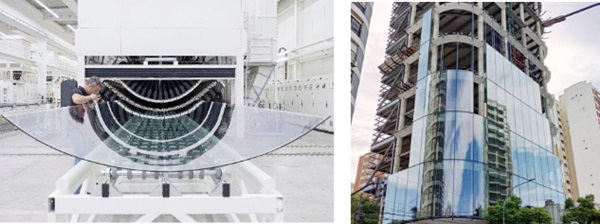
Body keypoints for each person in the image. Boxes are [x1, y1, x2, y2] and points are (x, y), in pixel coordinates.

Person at [70, 76, 102, 194]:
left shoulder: (86, 96)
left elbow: (86, 109)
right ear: (90, 86)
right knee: (80, 161)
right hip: (77, 133)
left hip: (83, 132)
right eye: (95, 90)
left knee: (84, 161)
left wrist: (93, 102)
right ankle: (77, 192)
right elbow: (76, 99)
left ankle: (80, 190)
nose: (96, 93)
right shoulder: (78, 92)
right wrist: (90, 97)